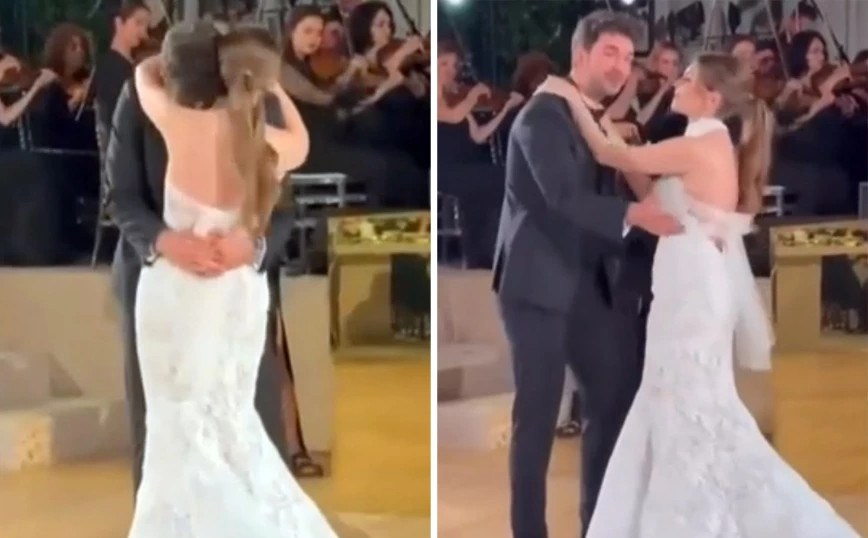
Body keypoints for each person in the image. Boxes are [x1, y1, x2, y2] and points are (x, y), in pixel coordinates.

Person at [537, 52, 860, 537]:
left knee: (686, 402)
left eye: (686, 79)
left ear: (710, 97)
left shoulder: (700, 143)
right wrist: (622, 142)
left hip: (691, 290)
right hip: (685, 284)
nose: (676, 84)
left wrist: (570, 99)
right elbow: (652, 196)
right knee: (676, 400)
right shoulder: (705, 141)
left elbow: (609, 155)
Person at [107, 21, 336, 536]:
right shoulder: (257, 129)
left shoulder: (170, 113)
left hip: (196, 292)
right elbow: (120, 196)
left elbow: (283, 211)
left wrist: (252, 246)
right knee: (205, 427)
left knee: (196, 426)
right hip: (194, 281)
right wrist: (164, 240)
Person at [491, 10, 681, 538]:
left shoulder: (596, 119)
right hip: (537, 285)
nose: (620, 66)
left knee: (612, 400)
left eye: (627, 57)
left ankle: (599, 525)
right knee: (537, 420)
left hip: (590, 282)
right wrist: (637, 214)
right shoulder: (542, 116)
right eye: (609, 53)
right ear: (581, 55)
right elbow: (561, 196)